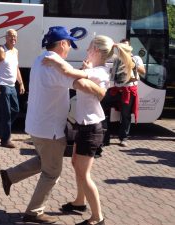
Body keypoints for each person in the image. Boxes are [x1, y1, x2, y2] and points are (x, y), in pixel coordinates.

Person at [0, 26, 106, 224]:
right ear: (63, 43)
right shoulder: (54, 64)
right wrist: (100, 90)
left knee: (45, 160)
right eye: (69, 45)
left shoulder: (41, 59)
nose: (70, 50)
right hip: (50, 130)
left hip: (38, 125)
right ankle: (34, 212)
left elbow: (71, 76)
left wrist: (84, 71)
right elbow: (81, 84)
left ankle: (10, 175)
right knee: (52, 172)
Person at [42, 35, 131, 225]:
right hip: (86, 125)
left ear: (96, 51)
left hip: (92, 128)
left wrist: (53, 60)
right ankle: (80, 202)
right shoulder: (96, 70)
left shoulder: (99, 72)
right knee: (76, 163)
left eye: (90, 46)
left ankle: (97, 217)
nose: (86, 49)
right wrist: (87, 69)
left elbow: (68, 71)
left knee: (84, 173)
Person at [101, 38, 145, 147]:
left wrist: (133, 64)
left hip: (128, 90)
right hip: (116, 89)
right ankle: (105, 137)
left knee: (125, 114)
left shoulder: (136, 58)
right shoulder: (117, 59)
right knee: (101, 106)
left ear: (129, 48)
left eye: (125, 46)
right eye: (122, 46)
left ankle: (123, 137)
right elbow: (113, 76)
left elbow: (143, 72)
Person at [0, 28, 25, 148]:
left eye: (15, 36)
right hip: (3, 85)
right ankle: (5, 140)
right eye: (11, 36)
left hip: (12, 85)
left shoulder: (16, 51)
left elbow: (16, 68)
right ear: (6, 37)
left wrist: (21, 83)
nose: (13, 38)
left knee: (16, 110)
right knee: (6, 113)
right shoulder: (1, 50)